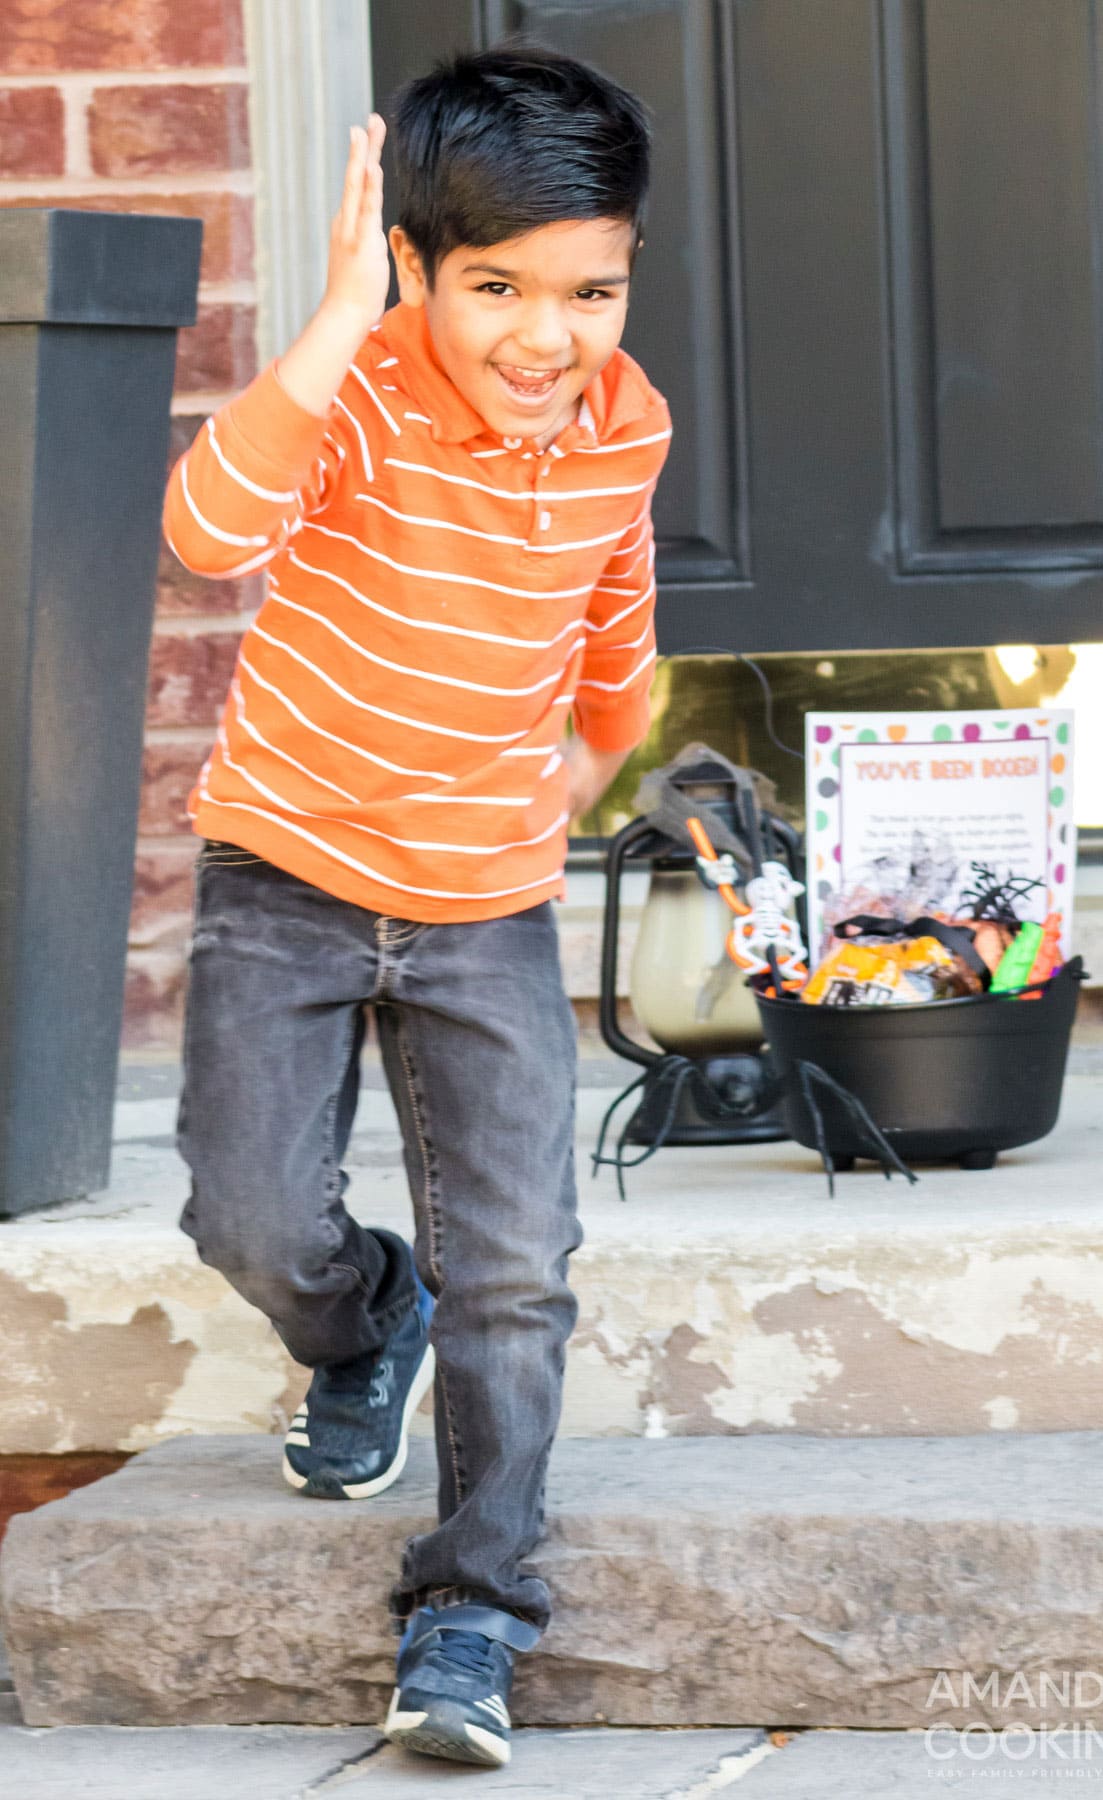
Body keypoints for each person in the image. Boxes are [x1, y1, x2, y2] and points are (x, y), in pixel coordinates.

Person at [162, 41, 669, 1773]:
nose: (548, 335)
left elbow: (617, 638)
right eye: (496, 289)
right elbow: (206, 530)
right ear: (418, 274)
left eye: (589, 289)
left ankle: (474, 1610)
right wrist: (325, 329)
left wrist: (586, 778)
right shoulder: (356, 393)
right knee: (245, 1213)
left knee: (521, 1266)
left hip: (484, 905)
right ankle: (366, 1317)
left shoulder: (625, 426)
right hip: (285, 875)